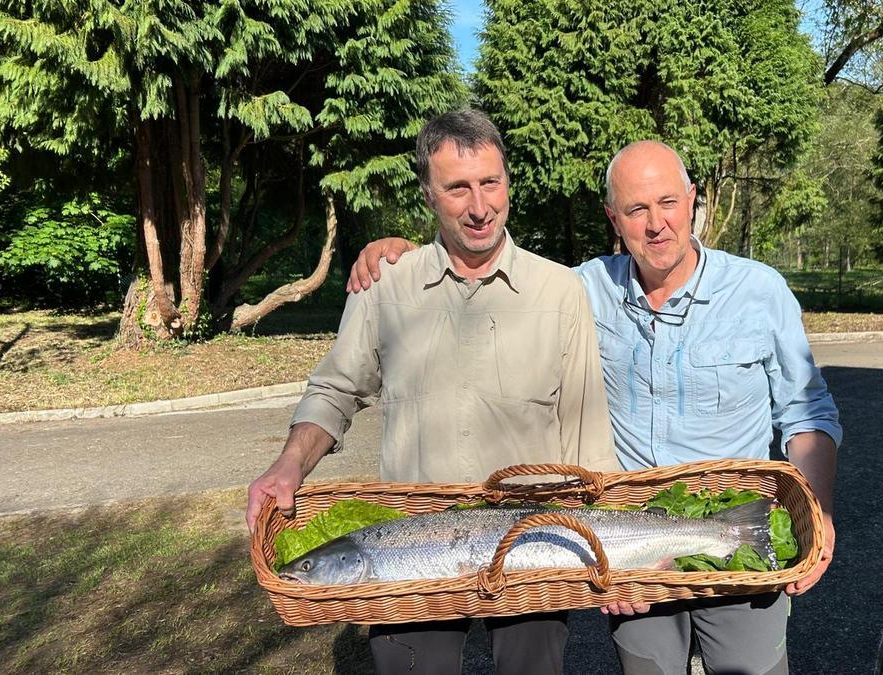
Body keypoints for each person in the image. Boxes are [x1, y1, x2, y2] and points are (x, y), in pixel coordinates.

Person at [348, 140, 841, 675]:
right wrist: (407, 253)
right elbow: (492, 272)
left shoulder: (759, 290)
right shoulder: (582, 288)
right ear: (614, 218)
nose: (657, 224)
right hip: (629, 543)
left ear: (693, 200)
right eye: (636, 209)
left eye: (669, 203)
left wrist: (819, 511)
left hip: (732, 526)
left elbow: (806, 410)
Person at [246, 108, 619, 675]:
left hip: (528, 539)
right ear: (428, 194)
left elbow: (586, 428)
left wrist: (613, 546)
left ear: (508, 182)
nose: (479, 206)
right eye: (457, 188)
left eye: (491, 183)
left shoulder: (560, 290)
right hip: (407, 545)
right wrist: (289, 463)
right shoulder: (384, 284)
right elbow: (336, 388)